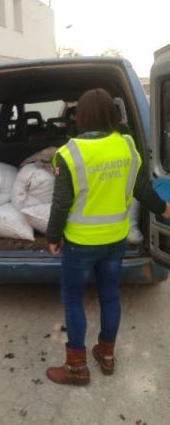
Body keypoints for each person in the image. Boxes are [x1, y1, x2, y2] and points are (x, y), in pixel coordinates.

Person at [45, 88, 170, 386]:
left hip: (79, 244)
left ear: (81, 117)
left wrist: (53, 236)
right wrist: (165, 210)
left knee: (74, 300)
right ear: (113, 115)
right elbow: (143, 191)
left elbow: (61, 203)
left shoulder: (69, 153)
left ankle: (77, 368)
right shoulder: (127, 146)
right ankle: (107, 354)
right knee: (110, 297)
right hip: (115, 240)